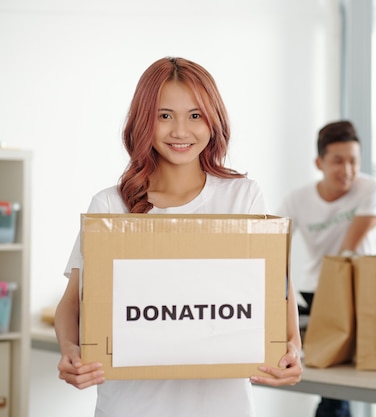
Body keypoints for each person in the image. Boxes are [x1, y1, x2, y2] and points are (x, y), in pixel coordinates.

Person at [54, 57, 302, 417]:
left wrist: (293, 346)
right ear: (143, 121)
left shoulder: (242, 197)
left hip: (222, 406)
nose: (180, 131)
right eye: (164, 115)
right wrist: (70, 349)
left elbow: (277, 292)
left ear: (213, 121)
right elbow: (73, 302)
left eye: (195, 115)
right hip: (131, 406)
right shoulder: (110, 205)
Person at [277, 120, 376, 417]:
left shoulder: (372, 188)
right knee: (331, 382)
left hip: (362, 292)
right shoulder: (297, 199)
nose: (348, 170)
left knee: (345, 381)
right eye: (338, 161)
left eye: (354, 161)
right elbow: (271, 244)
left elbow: (349, 248)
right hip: (318, 292)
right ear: (319, 162)